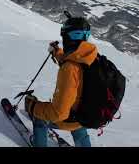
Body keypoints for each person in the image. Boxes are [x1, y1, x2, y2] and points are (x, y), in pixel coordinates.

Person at [24, 14, 97, 147]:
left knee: (40, 117)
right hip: (85, 116)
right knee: (79, 129)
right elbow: (74, 63)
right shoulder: (91, 58)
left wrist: (32, 106)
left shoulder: (69, 69)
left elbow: (59, 113)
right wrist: (57, 52)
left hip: (69, 118)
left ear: (68, 37)